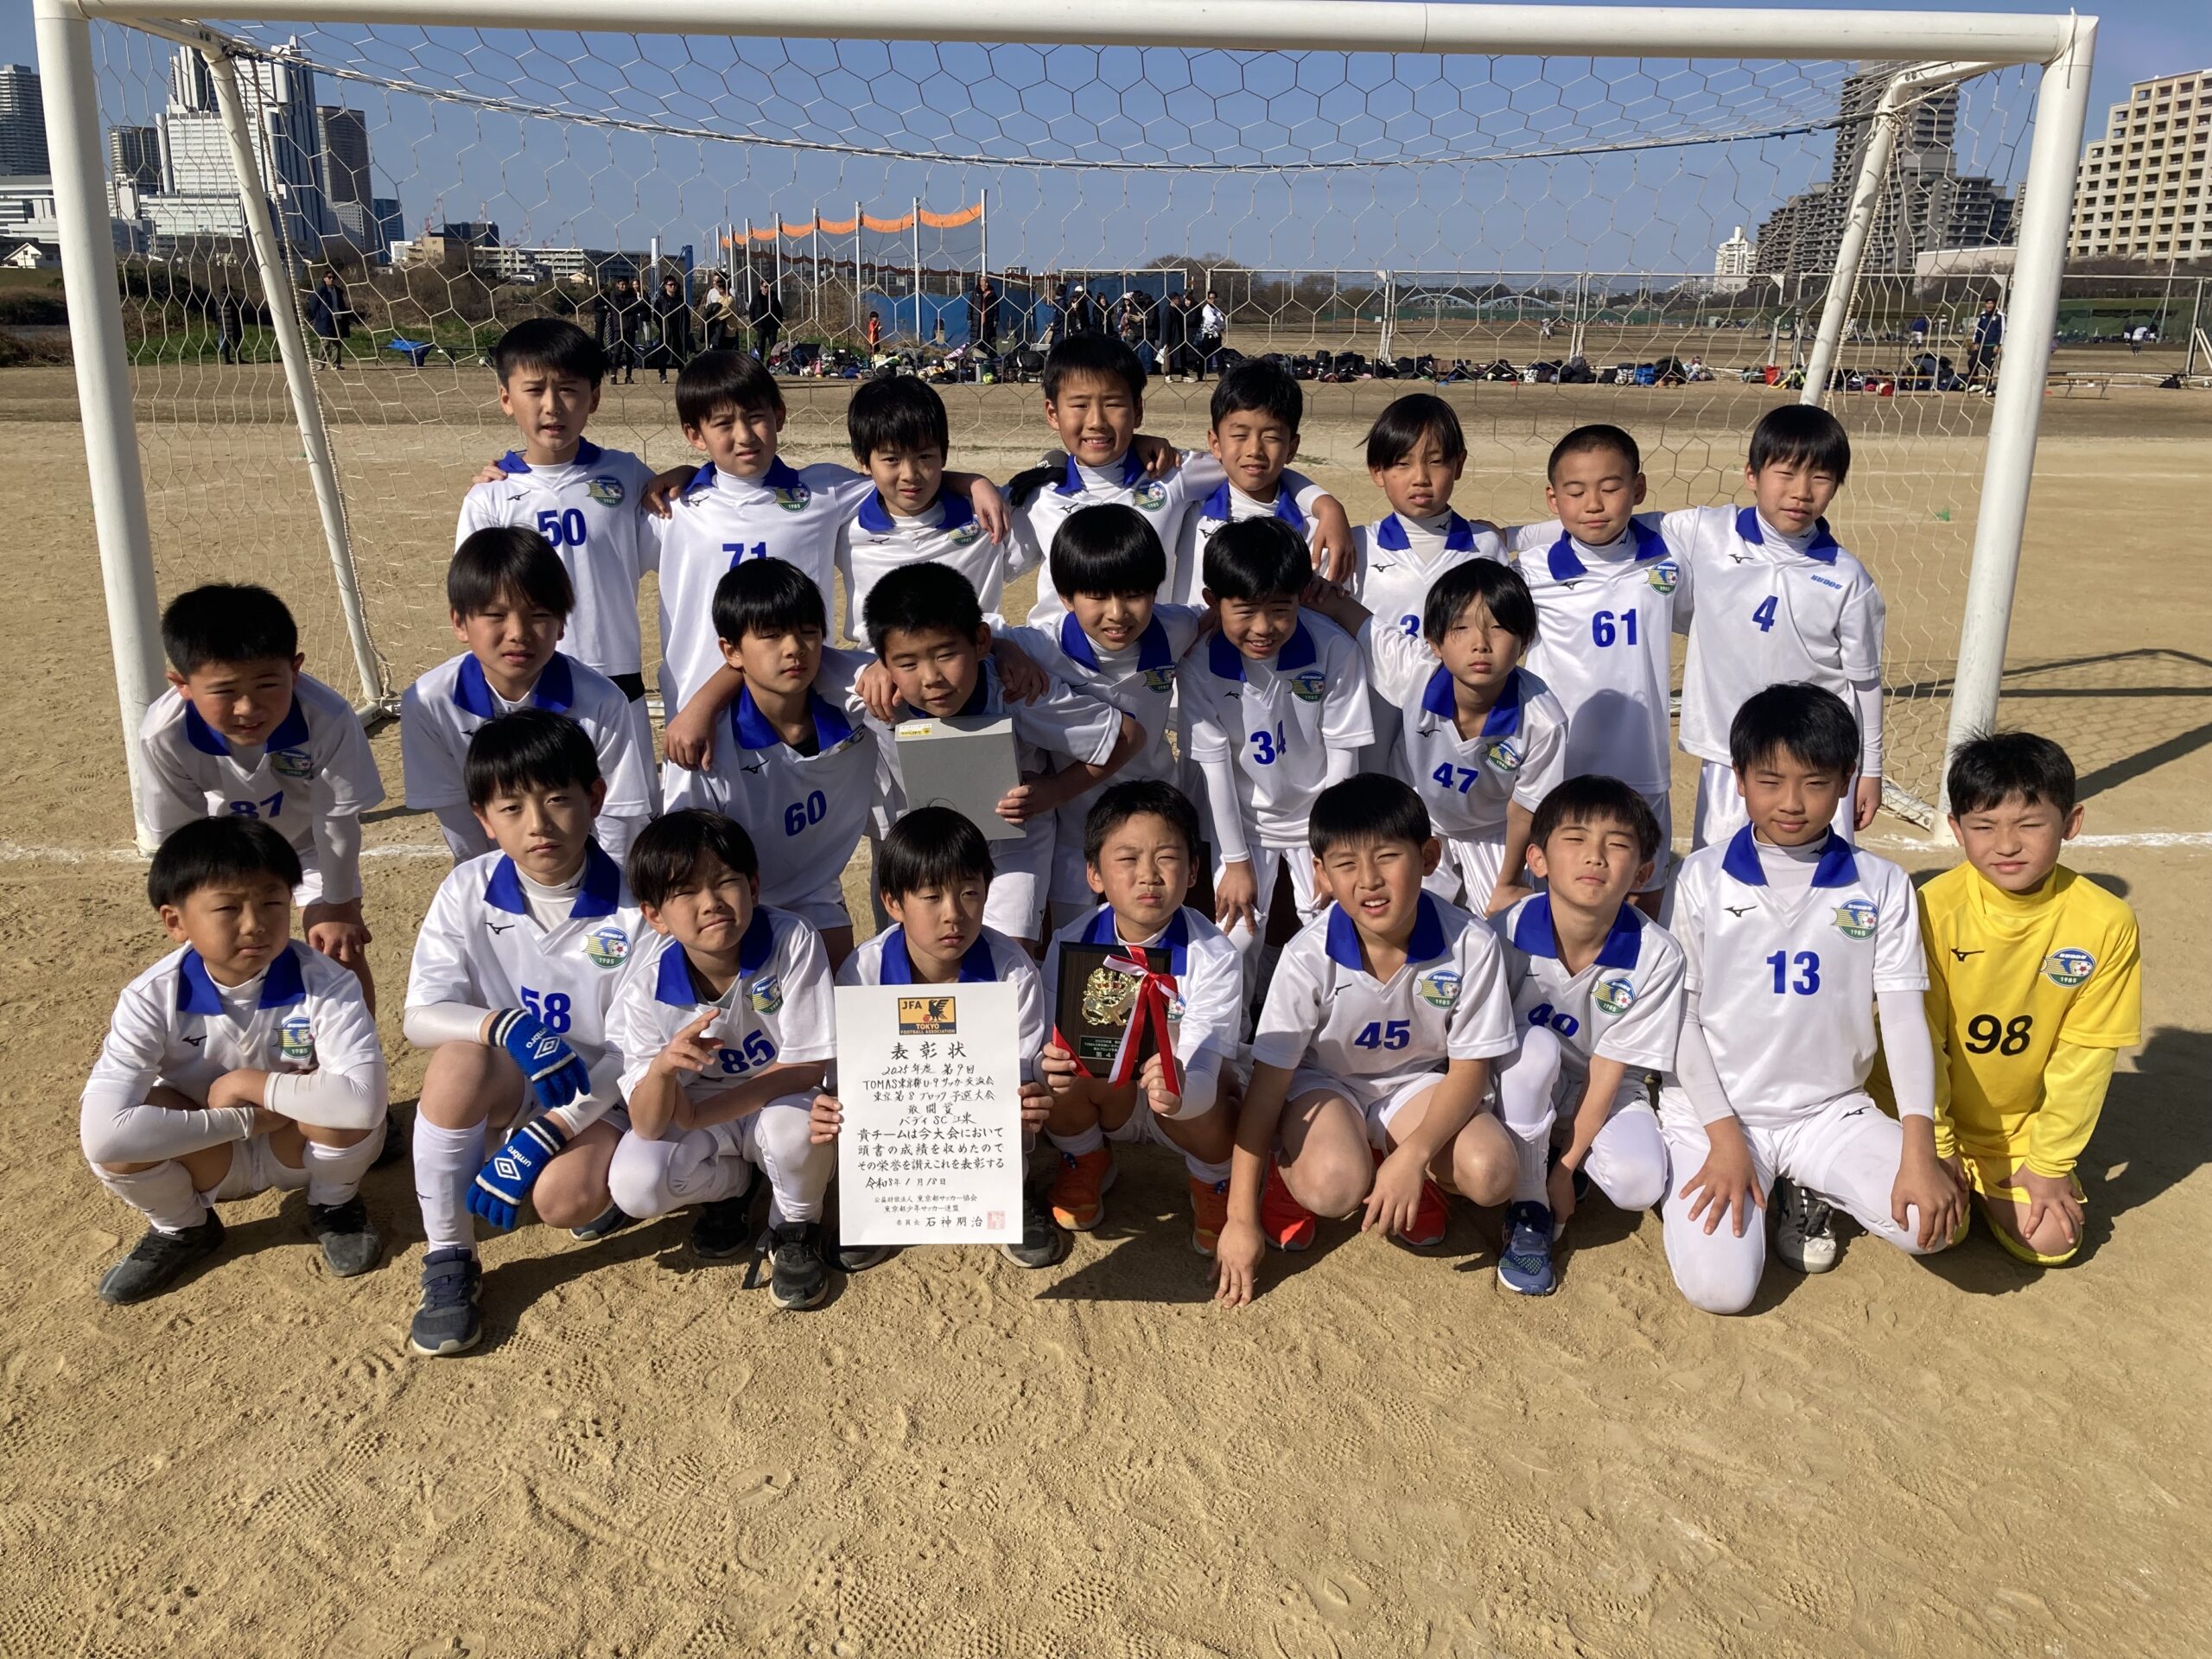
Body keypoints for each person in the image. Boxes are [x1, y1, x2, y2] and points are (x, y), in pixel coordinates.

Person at [1656, 683, 1959, 1313]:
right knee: (1721, 1290)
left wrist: (1919, 1149)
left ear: (1847, 780)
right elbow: (1680, 1017)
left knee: (1932, 1228)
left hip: (1828, 1112)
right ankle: (1705, 1169)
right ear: (1739, 778)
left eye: (1815, 783)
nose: (1792, 802)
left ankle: (1807, 1183)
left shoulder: (1883, 884)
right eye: (1770, 781)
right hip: (1717, 1114)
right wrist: (1725, 1138)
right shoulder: (1699, 878)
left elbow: (1904, 1019)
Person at [1215, 776, 1520, 1306]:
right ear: (1321, 874)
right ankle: (1293, 1174)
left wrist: (1415, 1156)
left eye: (1387, 856)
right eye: (1346, 864)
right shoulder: (1307, 957)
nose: (1369, 881)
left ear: (1428, 857)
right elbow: (1267, 1089)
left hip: (1416, 1083)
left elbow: (1470, 1071)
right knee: (1333, 1187)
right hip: (1326, 1085)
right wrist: (1239, 1219)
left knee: (1492, 1173)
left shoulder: (1472, 942)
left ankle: (1399, 1162)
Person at [403, 709, 648, 1356]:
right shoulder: (467, 888)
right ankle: (449, 1259)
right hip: (515, 1077)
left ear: (596, 798)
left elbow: (636, 1049)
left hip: (601, 1095)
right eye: (511, 808)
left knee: (564, 1202)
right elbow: (419, 1015)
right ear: (483, 819)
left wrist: (550, 1131)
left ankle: (598, 1180)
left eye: (558, 799)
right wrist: (503, 1024)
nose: (537, 824)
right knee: (457, 1062)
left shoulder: (638, 904)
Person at [639, 350, 1005, 767]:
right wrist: (684, 474)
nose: (744, 436)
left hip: (797, 694)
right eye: (724, 424)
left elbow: (898, 473)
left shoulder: (823, 491)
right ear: (695, 435)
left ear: (779, 414)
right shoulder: (670, 507)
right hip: (695, 704)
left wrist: (973, 482)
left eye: (756, 417)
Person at [81, 817, 387, 1305]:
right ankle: (183, 1227)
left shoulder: (328, 982)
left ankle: (334, 1204)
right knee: (124, 1139)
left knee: (347, 1107)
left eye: (272, 902)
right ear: (175, 922)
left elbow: (364, 1103)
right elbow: (104, 1135)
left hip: (297, 1146)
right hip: (210, 1150)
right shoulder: (149, 997)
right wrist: (243, 1119)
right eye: (228, 907)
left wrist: (246, 1083)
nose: (255, 924)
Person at [1907, 733, 2140, 1267]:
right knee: (1927, 1227)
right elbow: (1920, 1038)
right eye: (1984, 826)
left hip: (2013, 1131)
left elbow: (2085, 1057)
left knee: (2053, 1239)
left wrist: (2050, 1163)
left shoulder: (2106, 923)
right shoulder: (1932, 909)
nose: (2007, 845)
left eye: (2030, 824)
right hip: (1926, 1118)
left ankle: (1996, 1176)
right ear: (1956, 829)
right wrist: (1937, 1147)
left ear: (2071, 823)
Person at [604, 810, 840, 1309]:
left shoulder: (792, 940)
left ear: (753, 886)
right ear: (655, 915)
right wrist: (662, 1071)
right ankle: (731, 1189)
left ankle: (794, 1227)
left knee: (800, 1129)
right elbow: (647, 1124)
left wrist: (700, 1113)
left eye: (725, 881)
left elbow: (808, 1065)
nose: (710, 902)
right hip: (703, 1113)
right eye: (685, 891)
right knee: (635, 1184)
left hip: (778, 1097)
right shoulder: (645, 986)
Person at [812, 807, 1061, 1268]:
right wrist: (833, 1100)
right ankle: (874, 1212)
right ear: (893, 902)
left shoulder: (1012, 970)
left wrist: (1031, 1094)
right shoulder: (863, 971)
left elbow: (1025, 1066)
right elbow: (844, 1075)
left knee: (1009, 1113)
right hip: (896, 1142)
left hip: (976, 1135)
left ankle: (1010, 1195)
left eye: (970, 893)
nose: (954, 915)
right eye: (931, 896)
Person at [864, 562, 1144, 950]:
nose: (931, 678)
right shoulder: (870, 693)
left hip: (1013, 848)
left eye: (946, 654)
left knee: (1009, 960)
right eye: (908, 663)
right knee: (916, 961)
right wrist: (871, 667)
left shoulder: (1016, 691)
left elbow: (1127, 736)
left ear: (980, 642)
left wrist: (1055, 791)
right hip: (919, 854)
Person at [137, 583, 384, 1009]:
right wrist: (195, 908)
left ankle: (356, 1049)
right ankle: (243, 1046)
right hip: (227, 857)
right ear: (182, 685)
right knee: (226, 955)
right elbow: (182, 839)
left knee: (338, 947)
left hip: (309, 847)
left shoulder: (328, 717)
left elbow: (336, 822)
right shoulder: (164, 735)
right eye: (224, 691)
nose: (248, 708)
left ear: (295, 670)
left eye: (268, 684)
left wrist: (339, 904)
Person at [1488, 778, 1682, 1295]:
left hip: (1603, 1086)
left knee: (1640, 1183)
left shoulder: (1658, 955)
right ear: (1538, 859)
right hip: (1521, 1078)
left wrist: (1567, 1167)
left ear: (1642, 872)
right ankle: (1529, 1204)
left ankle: (1558, 1160)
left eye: (1616, 844)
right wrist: (1541, 1185)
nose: (1595, 856)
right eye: (1575, 839)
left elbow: (1610, 1069)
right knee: (1536, 1049)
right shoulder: (1503, 932)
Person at [1014, 336, 1349, 627]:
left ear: (1137, 410)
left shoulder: (1171, 473)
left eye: (1113, 404)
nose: (1097, 422)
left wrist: (1326, 505)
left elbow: (1251, 465)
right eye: (1080, 405)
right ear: (1052, 413)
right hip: (1056, 659)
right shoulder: (1036, 497)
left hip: (1151, 657)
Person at [1038, 781, 1244, 1250]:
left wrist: (1181, 1092)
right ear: (1094, 874)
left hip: (1181, 1103)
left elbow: (1204, 1067)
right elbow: (1049, 1044)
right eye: (1128, 859)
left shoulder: (1216, 956)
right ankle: (1084, 1156)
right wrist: (1047, 1067)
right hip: (1109, 1097)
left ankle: (1213, 1179)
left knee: (1218, 1090)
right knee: (1055, 1067)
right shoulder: (1070, 943)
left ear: (1193, 870)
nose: (1148, 875)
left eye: (1167, 857)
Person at [1671, 404, 1885, 849]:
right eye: (1786, 474)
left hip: (1814, 761)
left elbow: (1864, 683)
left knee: (1815, 875)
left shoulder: (1848, 578)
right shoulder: (1706, 532)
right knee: (1724, 872)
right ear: (1752, 474)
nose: (1801, 492)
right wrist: (1517, 536)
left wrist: (1871, 770)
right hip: (1729, 752)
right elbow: (1610, 530)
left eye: (1821, 478)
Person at [1306, 559, 1568, 919]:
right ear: (1434, 643)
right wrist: (1310, 587)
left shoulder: (1543, 721)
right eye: (1461, 628)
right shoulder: (1416, 671)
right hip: (1416, 821)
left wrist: (1508, 882)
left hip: (1493, 830)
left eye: (1498, 628)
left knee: (1509, 923)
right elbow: (1357, 619)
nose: (1480, 644)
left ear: (1525, 641)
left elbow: (1525, 810)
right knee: (1402, 919)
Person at [456, 317, 660, 752]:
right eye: (534, 390)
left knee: (628, 795)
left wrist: (682, 475)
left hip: (615, 672)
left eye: (568, 389)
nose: (552, 406)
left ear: (594, 398)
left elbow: (679, 538)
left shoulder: (627, 475)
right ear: (506, 398)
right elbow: (478, 601)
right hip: (529, 676)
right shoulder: (490, 497)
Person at [1505, 423, 1685, 913]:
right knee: (1559, 890)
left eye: (1610, 488)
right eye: (1576, 491)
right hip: (1561, 766)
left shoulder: (1670, 557)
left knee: (1643, 890)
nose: (1593, 504)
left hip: (1641, 761)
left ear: (1638, 489)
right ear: (1553, 498)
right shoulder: (1528, 573)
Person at [1002, 505, 1209, 929]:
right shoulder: (1042, 646)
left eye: (1134, 594)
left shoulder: (1176, 628)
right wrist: (1004, 650)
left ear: (1156, 590)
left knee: (1155, 940)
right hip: (1074, 835)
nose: (1117, 613)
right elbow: (973, 632)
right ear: (1065, 597)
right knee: (1077, 947)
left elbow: (1222, 615)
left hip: (1156, 825)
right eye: (1097, 596)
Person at [1183, 518, 1373, 978]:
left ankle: (1317, 1022)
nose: (1263, 627)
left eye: (1280, 610)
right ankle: (1238, 1023)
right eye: (1245, 611)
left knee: (1332, 930)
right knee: (1238, 938)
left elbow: (1343, 757)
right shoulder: (1198, 662)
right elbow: (1215, 769)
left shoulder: (1334, 649)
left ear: (1301, 596)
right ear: (1212, 601)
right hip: (1244, 822)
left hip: (1317, 818)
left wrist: (1333, 849)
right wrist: (1235, 862)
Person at [400, 526, 658, 866]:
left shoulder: (602, 701)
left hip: (585, 868)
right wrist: (494, 885)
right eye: (496, 615)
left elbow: (618, 818)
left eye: (538, 615)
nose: (518, 633)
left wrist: (608, 887)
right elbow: (461, 824)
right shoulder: (428, 703)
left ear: (562, 624)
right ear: (459, 622)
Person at [663, 559, 876, 967]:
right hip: (733, 902)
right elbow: (687, 857)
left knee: (838, 991)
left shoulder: (859, 698)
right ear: (730, 652)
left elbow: (921, 662)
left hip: (817, 893)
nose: (794, 648)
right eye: (772, 635)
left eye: (808, 632)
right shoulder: (702, 746)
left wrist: (1003, 649)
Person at [1346, 394, 1506, 766]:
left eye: (1435, 461)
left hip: (1452, 722)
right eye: (1402, 463)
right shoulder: (1357, 546)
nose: (1420, 477)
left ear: (1459, 464)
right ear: (1377, 471)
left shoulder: (1484, 547)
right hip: (1374, 720)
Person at [1171, 359, 1352, 605]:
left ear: (1292, 448)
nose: (1254, 449)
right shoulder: (1188, 506)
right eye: (1240, 435)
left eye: (1271, 437)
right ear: (1215, 443)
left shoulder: (1316, 532)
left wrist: (1329, 507)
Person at [649, 273, 696, 383]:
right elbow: (656, 316)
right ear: (665, 286)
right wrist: (662, 327)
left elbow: (687, 315)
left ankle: (682, 374)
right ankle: (662, 375)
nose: (673, 287)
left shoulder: (681, 300)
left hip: (679, 330)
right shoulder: (661, 300)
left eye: (674, 284)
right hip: (666, 331)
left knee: (680, 352)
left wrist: (686, 327)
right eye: (670, 285)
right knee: (664, 352)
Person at [307, 271, 349, 369]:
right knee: (326, 341)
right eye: (329, 277)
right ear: (324, 279)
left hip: (337, 317)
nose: (331, 279)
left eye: (333, 277)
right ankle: (321, 363)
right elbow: (313, 304)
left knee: (337, 341)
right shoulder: (321, 290)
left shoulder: (338, 291)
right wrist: (316, 316)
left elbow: (341, 304)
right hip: (326, 319)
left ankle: (336, 364)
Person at [700, 271, 739, 351]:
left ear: (722, 287)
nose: (716, 289)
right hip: (718, 334)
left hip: (728, 335)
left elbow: (717, 316)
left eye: (717, 285)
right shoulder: (719, 298)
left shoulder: (730, 300)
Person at [1968, 298, 2004, 381]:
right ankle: (1974, 382)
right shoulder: (1982, 315)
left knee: (1988, 366)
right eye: (1988, 303)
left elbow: (2001, 331)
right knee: (1972, 362)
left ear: (1995, 304)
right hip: (1981, 345)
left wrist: (1998, 344)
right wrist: (1976, 342)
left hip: (1991, 346)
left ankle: (1988, 385)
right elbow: (1978, 329)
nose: (1989, 305)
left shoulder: (1999, 315)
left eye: (1991, 303)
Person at [749, 276, 785, 360]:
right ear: (761, 287)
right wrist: (754, 323)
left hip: (772, 326)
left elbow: (779, 310)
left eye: (769, 287)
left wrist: (778, 323)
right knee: (761, 345)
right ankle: (760, 362)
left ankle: (773, 362)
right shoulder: (756, 298)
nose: (767, 289)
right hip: (761, 326)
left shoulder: (773, 297)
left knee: (773, 346)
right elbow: (751, 310)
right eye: (765, 287)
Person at [1196, 290, 1226, 378]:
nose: (1213, 300)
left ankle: (1222, 374)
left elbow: (1222, 323)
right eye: (1211, 298)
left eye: (1214, 298)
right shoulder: (1206, 309)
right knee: (1204, 356)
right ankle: (1200, 374)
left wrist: (1219, 322)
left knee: (1219, 355)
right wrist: (1218, 321)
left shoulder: (1217, 310)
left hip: (1217, 335)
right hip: (1208, 336)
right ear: (1207, 299)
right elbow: (1213, 320)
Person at [215, 285, 245, 364]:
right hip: (233, 322)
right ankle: (238, 358)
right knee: (236, 339)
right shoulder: (231, 299)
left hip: (223, 322)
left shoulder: (218, 299)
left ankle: (227, 359)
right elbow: (239, 305)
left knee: (226, 340)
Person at [969, 276, 999, 352]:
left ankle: (987, 353)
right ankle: (977, 353)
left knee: (987, 338)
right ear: (981, 282)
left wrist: (996, 319)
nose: (987, 284)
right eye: (985, 281)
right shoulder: (975, 293)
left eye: (987, 282)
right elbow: (970, 306)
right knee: (977, 338)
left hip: (988, 320)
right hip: (977, 320)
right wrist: (969, 318)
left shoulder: (992, 294)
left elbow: (996, 307)